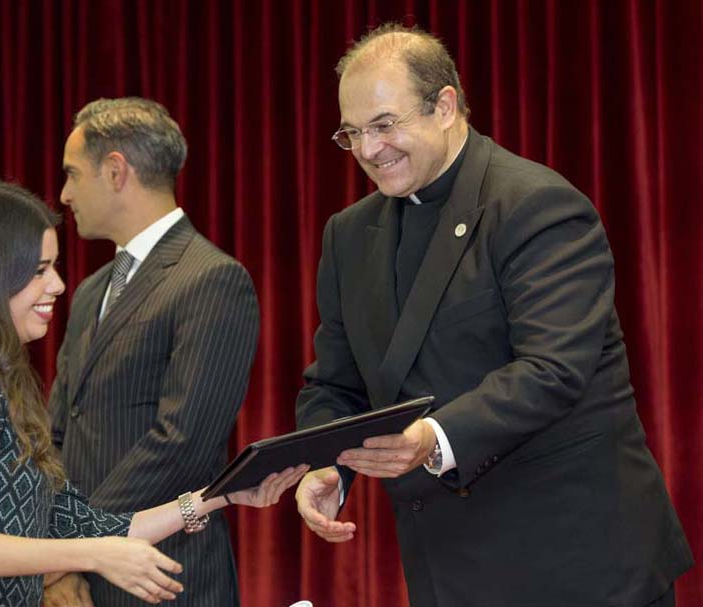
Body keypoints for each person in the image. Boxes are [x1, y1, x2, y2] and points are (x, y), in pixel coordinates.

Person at [294, 23, 693, 607]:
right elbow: (335, 382)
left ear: (446, 106)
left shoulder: (535, 205)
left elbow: (553, 369)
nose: (368, 149)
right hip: (448, 570)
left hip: (579, 566)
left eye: (384, 125)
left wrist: (431, 438)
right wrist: (326, 466)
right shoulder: (349, 234)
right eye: (352, 132)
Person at [0, 180, 305, 606]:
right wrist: (92, 554)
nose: (58, 285)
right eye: (40, 271)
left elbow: (87, 523)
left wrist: (218, 496)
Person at [46, 97, 260, 607]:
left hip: (164, 575)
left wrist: (76, 547)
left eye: (73, 175)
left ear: (116, 171)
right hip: (78, 574)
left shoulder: (211, 279)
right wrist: (56, 553)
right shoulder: (91, 289)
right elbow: (57, 430)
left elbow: (182, 441)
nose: (64, 193)